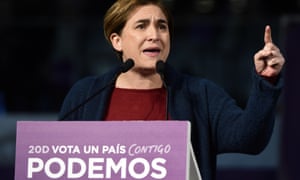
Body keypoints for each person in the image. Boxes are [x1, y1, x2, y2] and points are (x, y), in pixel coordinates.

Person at [58, 0, 285, 180]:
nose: (155, 35)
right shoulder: (85, 95)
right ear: (117, 41)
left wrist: (265, 82)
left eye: (162, 26)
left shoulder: (199, 94)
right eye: (141, 26)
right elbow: (60, 164)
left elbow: (249, 139)